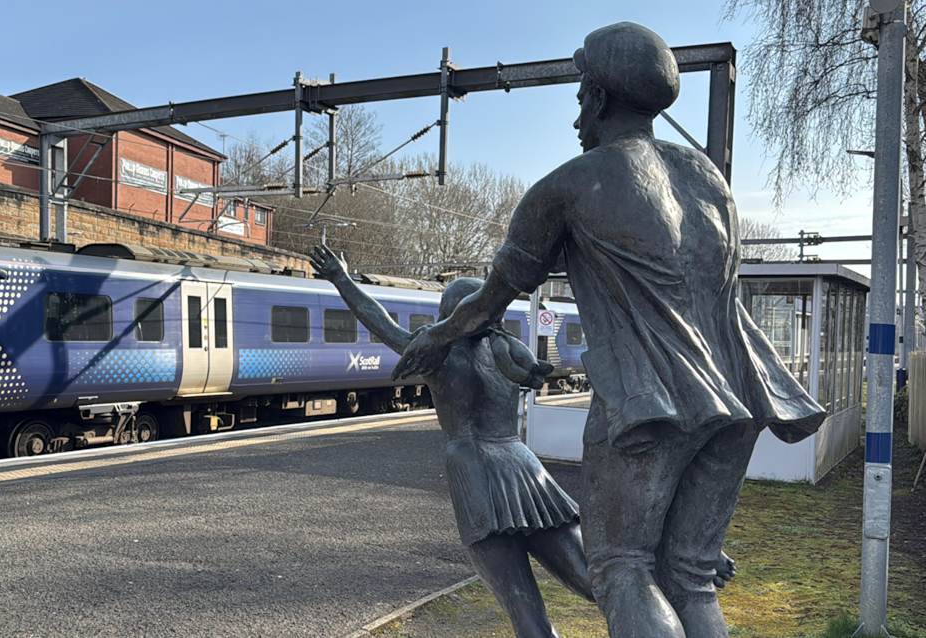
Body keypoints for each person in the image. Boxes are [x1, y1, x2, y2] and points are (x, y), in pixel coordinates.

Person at [390, 22, 825, 638]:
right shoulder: (709, 181)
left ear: (595, 97)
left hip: (649, 406)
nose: (575, 120)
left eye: (578, 99)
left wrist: (435, 336)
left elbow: (490, 300)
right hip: (740, 399)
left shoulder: (571, 184)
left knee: (622, 567)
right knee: (691, 574)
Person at [309, 244, 592, 638]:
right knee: (596, 581)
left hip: (475, 471)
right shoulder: (511, 352)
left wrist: (342, 279)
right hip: (525, 467)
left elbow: (382, 324)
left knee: (525, 608)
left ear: (449, 315)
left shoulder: (436, 356)